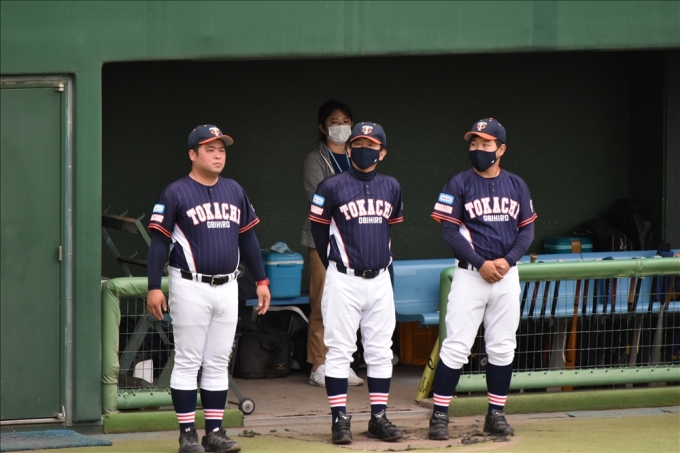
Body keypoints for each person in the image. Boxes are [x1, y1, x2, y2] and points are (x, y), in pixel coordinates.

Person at [146, 124, 271, 453]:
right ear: (193, 154)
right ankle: (187, 434)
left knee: (217, 361)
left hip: (228, 285)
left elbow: (248, 239)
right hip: (190, 284)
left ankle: (214, 432)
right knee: (188, 360)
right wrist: (154, 286)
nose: (218, 155)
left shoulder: (234, 189)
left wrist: (261, 281)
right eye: (210, 149)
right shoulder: (175, 192)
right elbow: (158, 243)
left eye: (222, 149)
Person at [428, 118, 537, 440]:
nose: (478, 148)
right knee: (456, 346)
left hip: (506, 275)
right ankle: (439, 416)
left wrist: (507, 260)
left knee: (502, 346)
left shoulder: (517, 184)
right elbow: (449, 230)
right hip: (469, 275)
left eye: (485, 143)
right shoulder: (458, 183)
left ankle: (496, 414)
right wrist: (481, 263)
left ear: (500, 149)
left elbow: (527, 229)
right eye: (474, 143)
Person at [309, 122, 404, 444]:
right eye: (359, 143)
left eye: (371, 144)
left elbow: (389, 227)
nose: (365, 149)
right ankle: (339, 420)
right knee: (339, 352)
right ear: (348, 149)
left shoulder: (391, 186)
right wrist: (336, 266)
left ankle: (378, 417)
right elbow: (319, 231)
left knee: (380, 351)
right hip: (343, 278)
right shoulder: (330, 186)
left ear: (382, 152)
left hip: (379, 279)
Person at [301, 99, 364, 388]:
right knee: (323, 302)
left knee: (348, 306)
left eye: (345, 121)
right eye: (334, 122)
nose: (341, 127)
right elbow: (319, 198)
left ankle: (343, 363)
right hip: (323, 240)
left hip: (356, 242)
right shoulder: (315, 159)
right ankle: (319, 365)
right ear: (322, 127)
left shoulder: (358, 154)